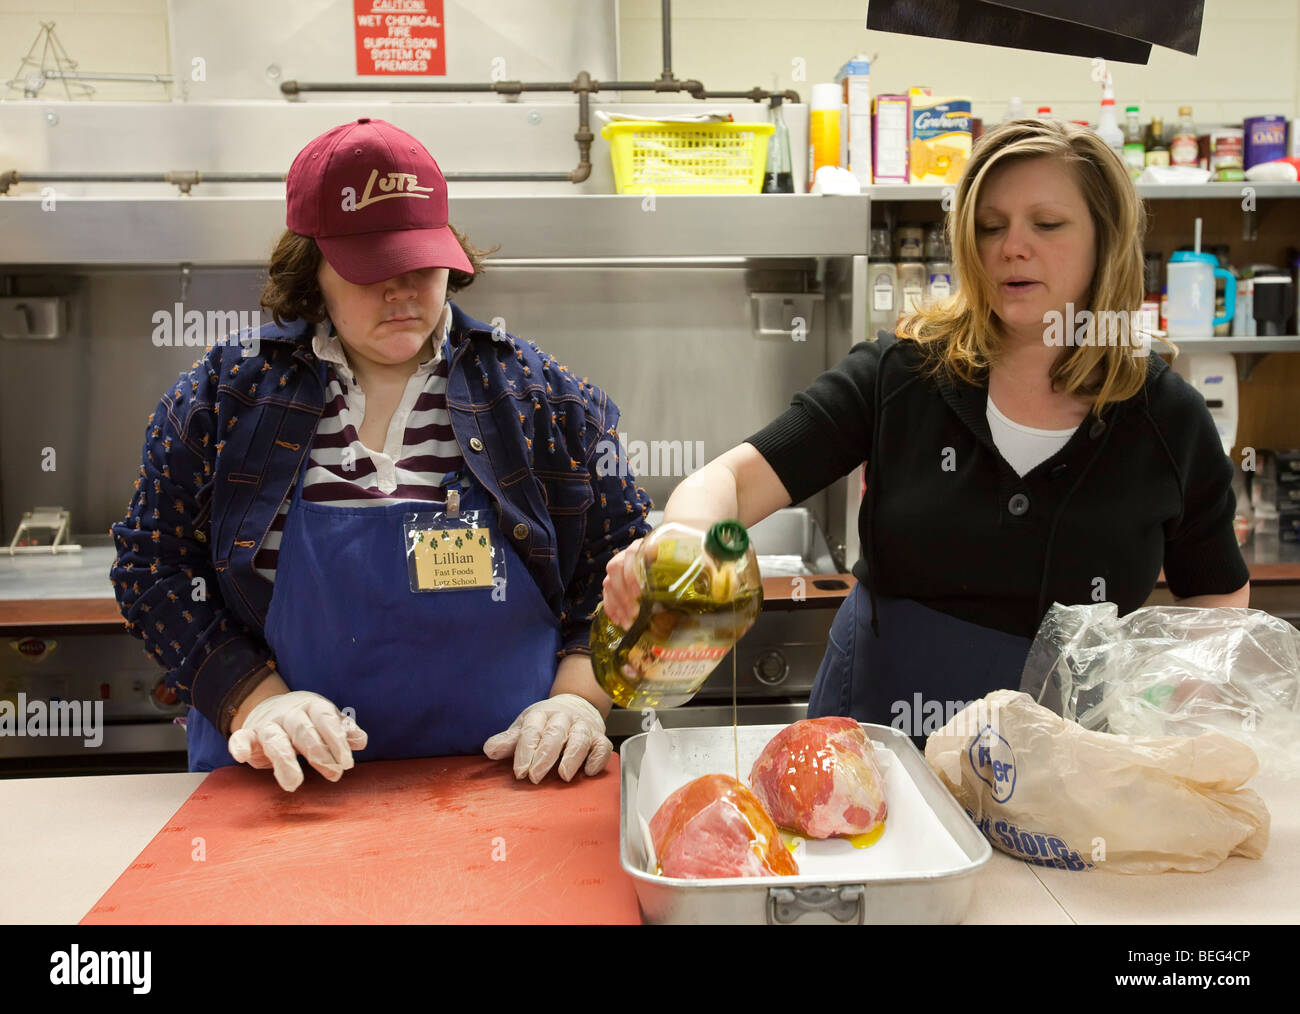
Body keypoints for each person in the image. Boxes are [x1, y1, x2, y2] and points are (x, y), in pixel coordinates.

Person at [601, 118, 1250, 747]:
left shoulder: (1165, 418)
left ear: (1105, 240)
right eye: (990, 226)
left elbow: (1214, 597)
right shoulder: (903, 374)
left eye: (1046, 225)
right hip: (878, 750)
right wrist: (685, 546)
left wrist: (1180, 729)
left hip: (1062, 769)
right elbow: (730, 482)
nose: (1010, 247)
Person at [112, 118, 651, 790]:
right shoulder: (223, 399)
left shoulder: (541, 398)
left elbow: (624, 568)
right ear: (312, 267)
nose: (401, 290)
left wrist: (579, 699)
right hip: (284, 793)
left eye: (420, 264)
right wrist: (257, 697)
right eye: (371, 269)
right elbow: (152, 568)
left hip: (507, 791)